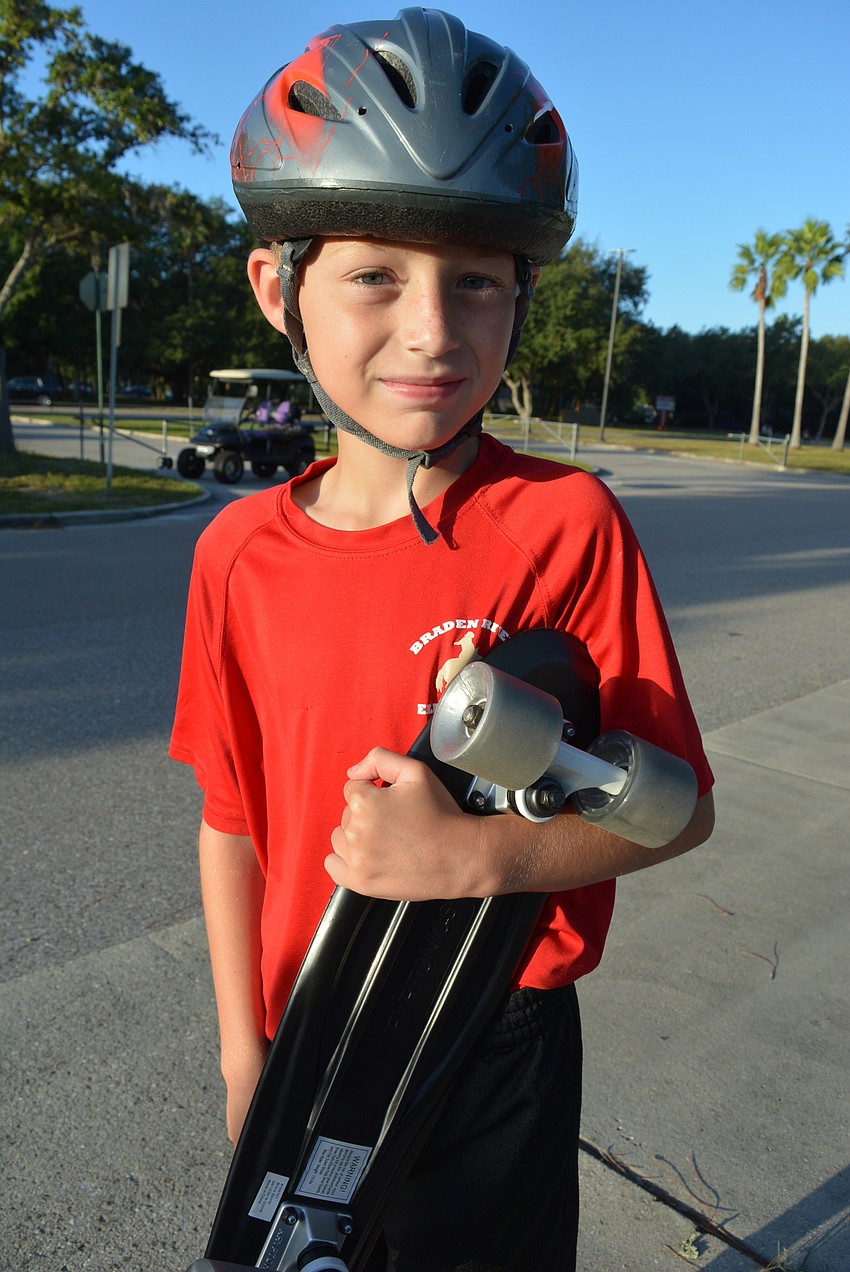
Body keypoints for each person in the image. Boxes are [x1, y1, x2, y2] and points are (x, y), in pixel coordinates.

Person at [169, 9, 715, 1270]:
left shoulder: (564, 522)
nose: (430, 330)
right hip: (311, 1030)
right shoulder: (236, 554)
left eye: (475, 279)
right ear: (278, 290)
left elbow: (676, 811)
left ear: (522, 295)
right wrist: (243, 1052)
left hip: (492, 1031)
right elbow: (230, 823)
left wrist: (475, 856)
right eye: (375, 276)